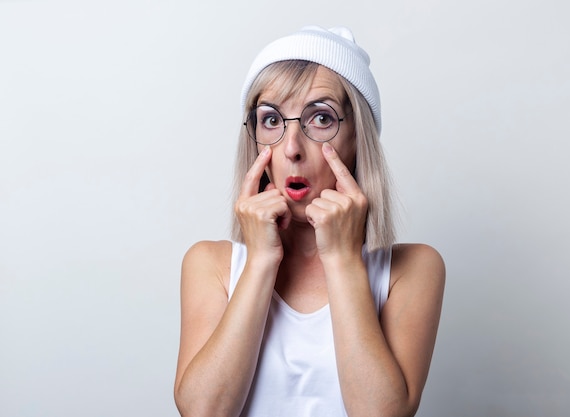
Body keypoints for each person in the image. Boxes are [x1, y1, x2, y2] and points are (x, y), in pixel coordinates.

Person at [174, 25, 445, 417]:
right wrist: (262, 261)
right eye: (271, 120)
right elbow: (203, 412)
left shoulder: (413, 269)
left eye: (320, 118)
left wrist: (341, 258)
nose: (291, 149)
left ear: (358, 138)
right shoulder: (209, 265)